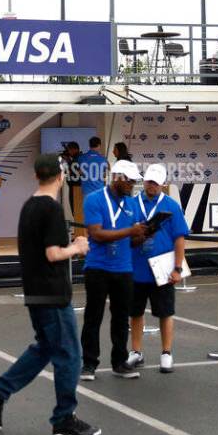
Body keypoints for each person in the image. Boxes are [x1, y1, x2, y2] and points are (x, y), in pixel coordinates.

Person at [0, 154, 100, 435]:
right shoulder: (51, 209)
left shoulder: (29, 206)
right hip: (53, 293)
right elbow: (53, 253)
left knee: (44, 348)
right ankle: (63, 419)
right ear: (61, 176)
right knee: (70, 354)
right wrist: (78, 246)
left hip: (35, 291)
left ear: (36, 176)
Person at [80, 159, 148, 380]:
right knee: (94, 316)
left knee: (121, 317)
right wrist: (131, 231)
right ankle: (89, 364)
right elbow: (97, 234)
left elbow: (132, 241)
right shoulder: (94, 199)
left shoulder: (132, 204)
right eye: (129, 182)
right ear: (117, 178)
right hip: (98, 266)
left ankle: (119, 362)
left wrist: (144, 234)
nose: (132, 186)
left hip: (123, 267)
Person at [126, 164, 189, 373]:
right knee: (135, 312)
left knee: (165, 312)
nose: (150, 185)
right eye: (148, 181)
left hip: (162, 268)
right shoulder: (132, 204)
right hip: (136, 267)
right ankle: (136, 351)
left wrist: (178, 268)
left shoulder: (171, 206)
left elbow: (179, 238)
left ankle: (166, 353)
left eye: (155, 182)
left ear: (163, 183)